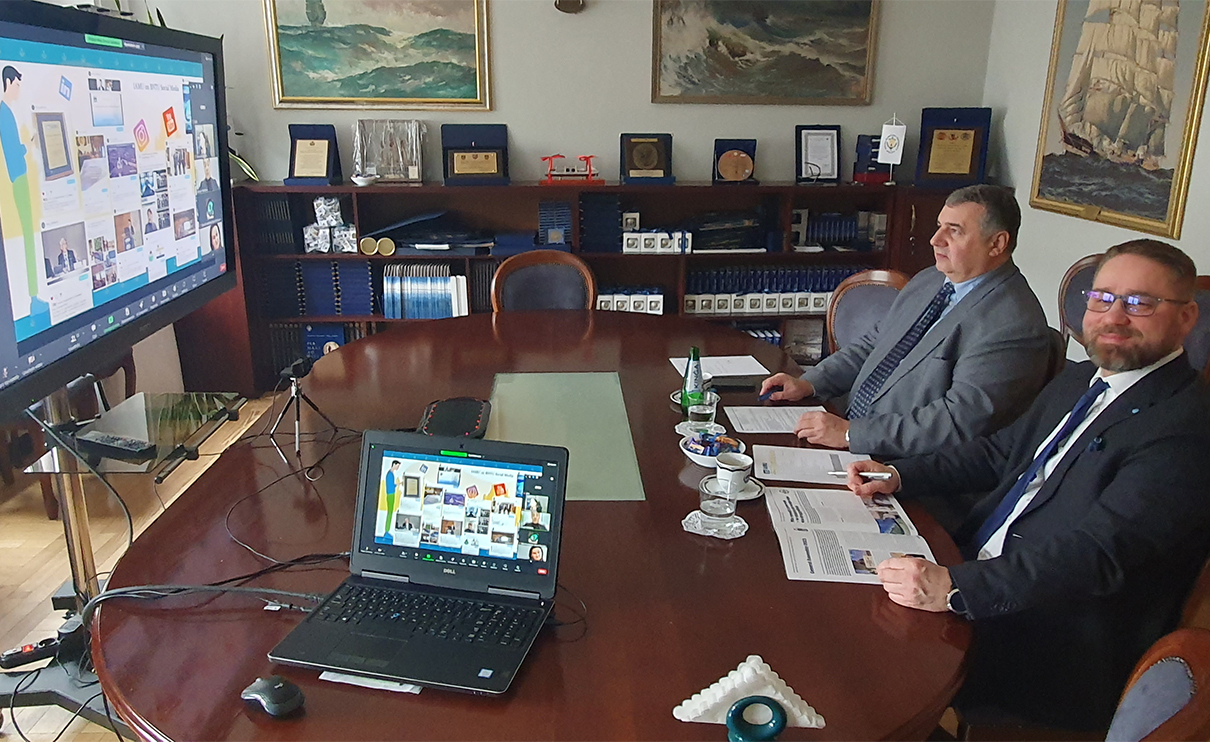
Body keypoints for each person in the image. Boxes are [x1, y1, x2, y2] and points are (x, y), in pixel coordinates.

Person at [847, 239, 1210, 731]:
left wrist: (956, 588)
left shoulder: (1185, 428)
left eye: (1139, 303)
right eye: (1102, 298)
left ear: (1186, 318)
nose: (1114, 317)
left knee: (857, 669)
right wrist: (899, 474)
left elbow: (1096, 555)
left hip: (1047, 634)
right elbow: (1001, 453)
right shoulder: (1081, 379)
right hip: (980, 571)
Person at [760, 185, 1053, 459]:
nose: (935, 240)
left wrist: (851, 434)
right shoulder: (931, 279)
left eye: (955, 231)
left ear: (997, 243)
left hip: (905, 464)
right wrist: (809, 383)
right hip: (854, 436)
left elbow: (957, 421)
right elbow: (874, 344)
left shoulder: (1013, 326)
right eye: (939, 226)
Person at [0, 65, 44, 315]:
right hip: (17, 180)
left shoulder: (7, 112)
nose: (18, 90)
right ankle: (33, 299)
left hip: (21, 178)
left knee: (30, 235)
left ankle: (33, 297)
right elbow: (13, 152)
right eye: (17, 85)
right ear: (8, 83)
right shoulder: (4, 114)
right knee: (28, 235)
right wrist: (28, 145)